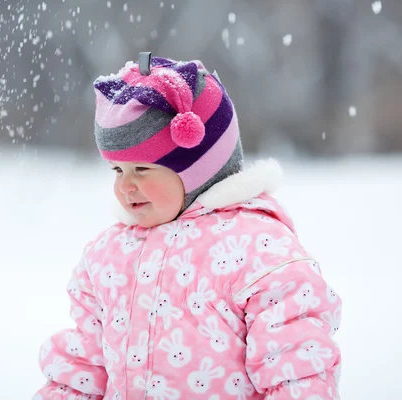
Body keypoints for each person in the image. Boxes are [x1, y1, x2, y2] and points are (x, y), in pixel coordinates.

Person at [33, 55, 342, 399]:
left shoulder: (258, 249)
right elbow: (82, 369)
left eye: (143, 170)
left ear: (199, 168)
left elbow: (295, 367)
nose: (125, 186)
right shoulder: (108, 257)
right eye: (118, 171)